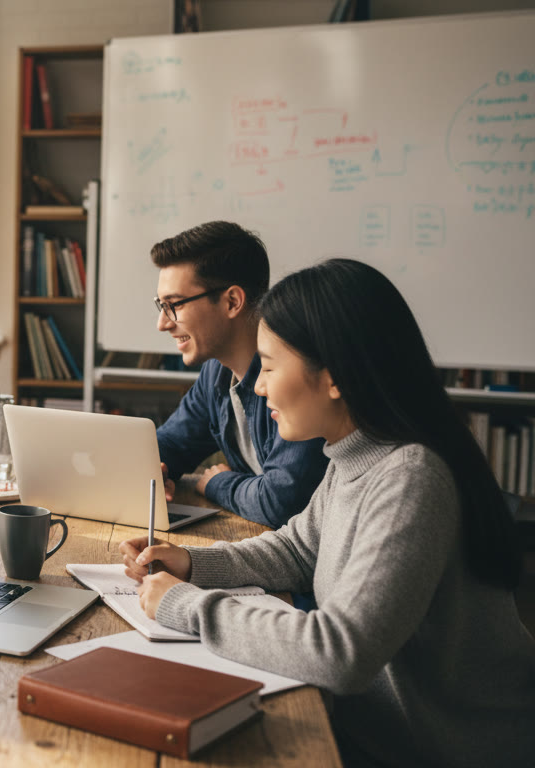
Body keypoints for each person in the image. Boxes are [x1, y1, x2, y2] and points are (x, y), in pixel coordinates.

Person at [121, 259, 535, 766]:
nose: (258, 387)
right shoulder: (354, 455)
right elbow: (298, 548)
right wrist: (190, 562)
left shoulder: (411, 477)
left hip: (432, 752)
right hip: (363, 732)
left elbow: (340, 653)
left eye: (269, 367)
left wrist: (183, 605)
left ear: (333, 377)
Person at [151, 221, 327, 528]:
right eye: (161, 306)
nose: (163, 323)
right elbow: (169, 446)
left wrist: (219, 483)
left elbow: (281, 501)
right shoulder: (216, 373)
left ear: (232, 301)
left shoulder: (296, 376)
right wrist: (150, 474)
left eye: (174, 305)